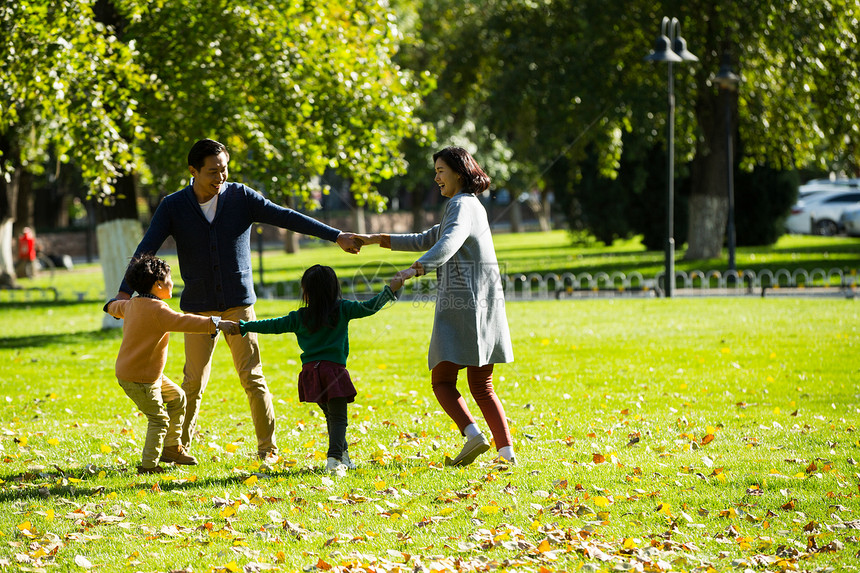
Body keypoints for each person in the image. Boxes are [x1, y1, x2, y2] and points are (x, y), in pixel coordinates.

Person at [108, 138, 362, 461]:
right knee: (192, 382)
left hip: (240, 306)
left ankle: (267, 449)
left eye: (224, 169)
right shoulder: (173, 206)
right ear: (193, 171)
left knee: (253, 378)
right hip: (198, 310)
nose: (220, 178)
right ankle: (176, 446)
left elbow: (286, 217)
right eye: (213, 171)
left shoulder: (241, 197)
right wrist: (123, 293)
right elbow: (146, 249)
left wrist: (335, 235)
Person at [356, 146, 516, 466]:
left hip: (463, 306)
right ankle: (507, 454)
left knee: (442, 382)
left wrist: (412, 271)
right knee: (481, 385)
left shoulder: (459, 205)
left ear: (459, 172)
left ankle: (473, 436)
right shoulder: (470, 205)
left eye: (441, 170)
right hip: (485, 305)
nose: (436, 177)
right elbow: (425, 237)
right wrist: (374, 238)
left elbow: (447, 243)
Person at [219, 264, 412, 473]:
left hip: (311, 374)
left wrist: (245, 326)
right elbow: (370, 307)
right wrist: (390, 289)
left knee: (332, 416)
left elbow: (272, 325)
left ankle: (344, 456)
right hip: (333, 373)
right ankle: (334, 459)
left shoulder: (300, 317)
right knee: (338, 418)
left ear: (307, 292)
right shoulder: (342, 308)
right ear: (333, 289)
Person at [104, 254, 239, 474]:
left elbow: (114, 307)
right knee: (158, 419)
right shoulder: (159, 311)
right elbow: (186, 321)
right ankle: (148, 466)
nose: (173, 283)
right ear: (158, 284)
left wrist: (109, 306)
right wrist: (218, 323)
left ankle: (171, 448)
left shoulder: (132, 305)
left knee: (177, 398)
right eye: (170, 279)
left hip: (145, 374)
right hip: (141, 379)